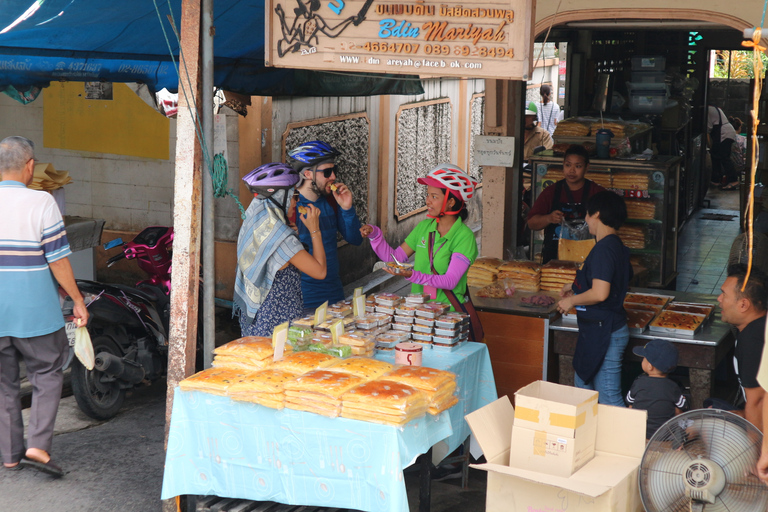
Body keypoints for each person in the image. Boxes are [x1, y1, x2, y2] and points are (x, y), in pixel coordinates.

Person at [0, 136, 89, 477]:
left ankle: (10, 455)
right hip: (34, 311)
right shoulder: (42, 202)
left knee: (4, 384)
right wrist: (78, 300)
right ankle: (37, 446)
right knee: (48, 372)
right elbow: (58, 260)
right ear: (30, 166)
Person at [359, 163, 483, 340]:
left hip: (448, 320)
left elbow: (449, 281)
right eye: (427, 195)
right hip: (419, 316)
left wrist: (412, 274)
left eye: (434, 196)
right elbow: (395, 258)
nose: (427, 201)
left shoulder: (464, 237)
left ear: (451, 201)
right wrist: (375, 236)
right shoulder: (424, 227)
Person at [556, 190, 632, 406]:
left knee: (608, 397)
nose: (586, 221)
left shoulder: (604, 249)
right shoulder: (615, 245)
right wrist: (575, 286)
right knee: (583, 385)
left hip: (605, 330)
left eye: (588, 215)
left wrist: (571, 301)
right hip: (600, 328)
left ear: (597, 214)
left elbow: (601, 293)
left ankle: (628, 439)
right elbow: (609, 280)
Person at [233, 163, 327, 337]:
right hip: (278, 328)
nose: (296, 202)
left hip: (257, 322)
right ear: (280, 197)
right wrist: (315, 230)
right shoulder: (282, 239)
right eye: (294, 195)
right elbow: (320, 271)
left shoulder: (252, 225)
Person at [287, 140, 362, 310]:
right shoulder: (292, 208)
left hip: (335, 294)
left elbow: (355, 239)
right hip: (303, 300)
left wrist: (347, 208)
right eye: (327, 172)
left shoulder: (332, 202)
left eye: (334, 170)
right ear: (307, 174)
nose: (333, 177)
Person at [709, 264, 766, 431]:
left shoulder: (753, 341)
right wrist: (741, 413)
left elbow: (758, 402)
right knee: (713, 409)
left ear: (743, 305)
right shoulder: (759, 328)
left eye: (724, 294)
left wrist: (755, 454)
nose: (719, 299)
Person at [527, 145, 605, 264]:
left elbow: (611, 222)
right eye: (568, 165)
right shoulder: (551, 192)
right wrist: (549, 218)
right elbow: (532, 223)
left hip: (588, 260)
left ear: (586, 167)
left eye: (578, 166)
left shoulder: (597, 192)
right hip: (554, 259)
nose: (572, 171)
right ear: (563, 164)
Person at [626, 339, 688, 440]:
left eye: (644, 359)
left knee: (631, 405)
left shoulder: (638, 382)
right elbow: (683, 406)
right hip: (664, 435)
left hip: (639, 431)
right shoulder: (673, 387)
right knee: (678, 408)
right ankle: (680, 438)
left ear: (650, 367)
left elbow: (629, 401)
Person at [707, 105, 739, 190]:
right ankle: (716, 180)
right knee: (715, 156)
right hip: (725, 133)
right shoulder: (711, 108)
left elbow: (707, 130)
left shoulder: (707, 111)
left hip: (725, 134)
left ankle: (733, 180)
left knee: (724, 158)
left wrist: (709, 146)